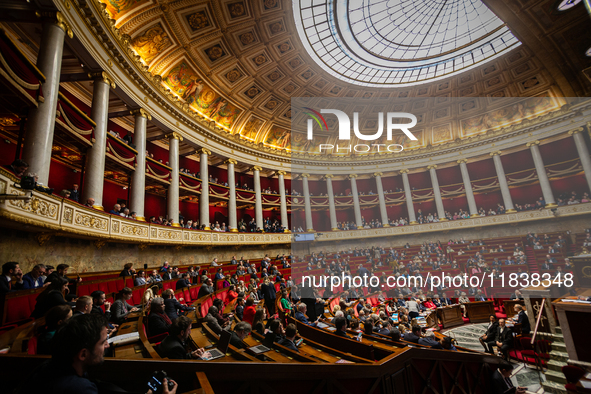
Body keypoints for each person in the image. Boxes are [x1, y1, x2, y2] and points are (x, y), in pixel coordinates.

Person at [20, 313, 179, 394]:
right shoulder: (78, 388)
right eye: (103, 343)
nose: (107, 346)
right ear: (83, 354)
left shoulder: (49, 367)